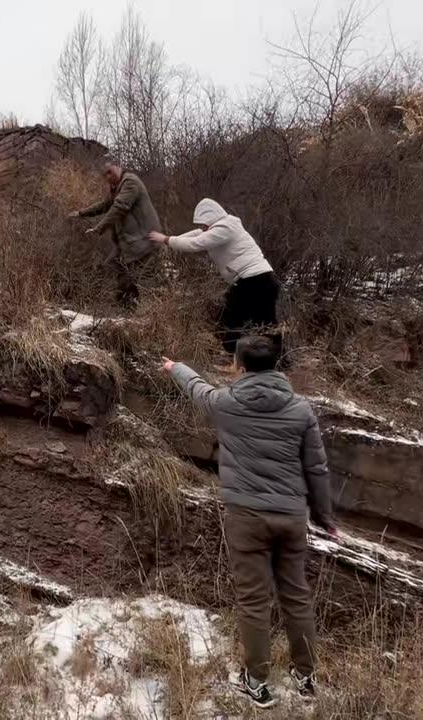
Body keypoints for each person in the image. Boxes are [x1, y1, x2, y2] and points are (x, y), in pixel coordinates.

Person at [161, 335, 336, 709]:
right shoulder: (301, 410)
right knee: (296, 596)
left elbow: (197, 389)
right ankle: (305, 677)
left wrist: (175, 368)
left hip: (246, 517)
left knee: (255, 602)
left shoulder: (227, 404)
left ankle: (257, 681)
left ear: (239, 367)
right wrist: (323, 515)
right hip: (291, 517)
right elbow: (316, 468)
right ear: (278, 366)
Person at [149, 198, 279, 354]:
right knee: (261, 323)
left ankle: (239, 358)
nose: (201, 228)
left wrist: (166, 239)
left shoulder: (224, 228)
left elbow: (194, 244)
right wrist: (168, 240)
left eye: (203, 224)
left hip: (255, 281)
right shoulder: (223, 226)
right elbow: (194, 235)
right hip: (258, 279)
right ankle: (273, 360)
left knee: (232, 321)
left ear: (211, 219)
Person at [69, 158, 162, 307]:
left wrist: (99, 228)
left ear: (118, 167)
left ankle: (153, 314)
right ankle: (125, 307)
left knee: (144, 278)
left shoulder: (130, 182)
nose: (108, 177)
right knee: (113, 266)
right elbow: (105, 205)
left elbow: (119, 207)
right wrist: (81, 213)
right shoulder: (117, 187)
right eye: (105, 174)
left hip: (145, 241)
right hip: (129, 243)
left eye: (110, 172)